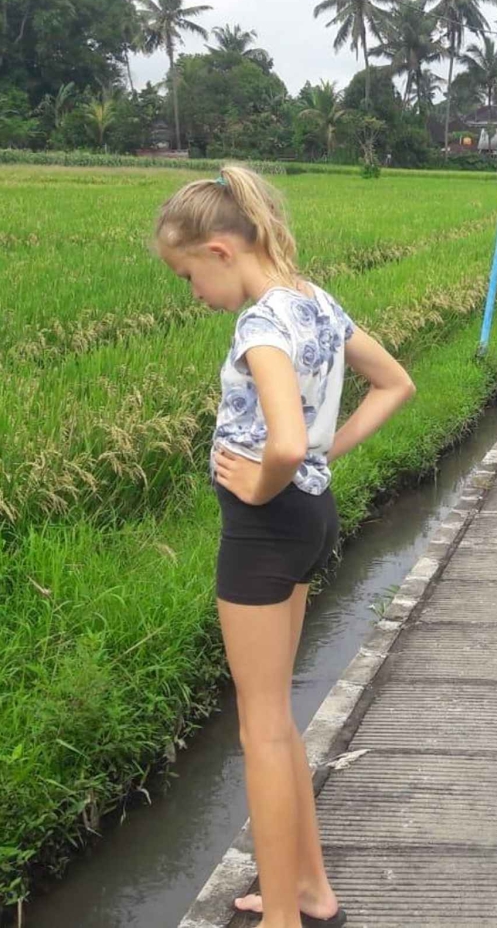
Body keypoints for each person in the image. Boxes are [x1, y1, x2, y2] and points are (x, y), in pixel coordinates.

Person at [154, 166, 415, 928]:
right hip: (309, 516)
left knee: (261, 728)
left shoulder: (262, 324)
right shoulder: (315, 300)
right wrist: (323, 457)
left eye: (188, 275)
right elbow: (395, 383)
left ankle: (280, 918)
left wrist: (267, 480)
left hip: (264, 529)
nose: (193, 294)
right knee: (278, 719)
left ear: (220, 250)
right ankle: (308, 889)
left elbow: (287, 441)